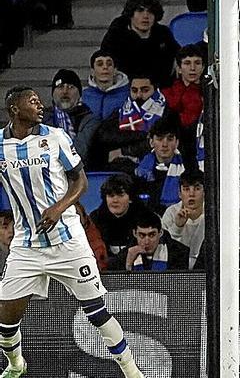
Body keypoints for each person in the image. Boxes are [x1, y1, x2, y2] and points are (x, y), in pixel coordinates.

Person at [0, 86, 144, 377]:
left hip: (67, 241)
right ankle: (16, 364)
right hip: (27, 245)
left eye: (40, 100)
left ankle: (131, 371)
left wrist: (58, 207)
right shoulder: (0, 145)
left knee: (97, 312)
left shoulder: (55, 137)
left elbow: (80, 181)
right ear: (15, 109)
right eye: (32, 101)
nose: (40, 105)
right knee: (5, 319)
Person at [101, 0, 180, 88]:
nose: (145, 16)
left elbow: (179, 54)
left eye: (150, 11)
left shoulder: (163, 34)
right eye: (140, 11)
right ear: (131, 14)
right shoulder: (115, 36)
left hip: (160, 90)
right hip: (124, 91)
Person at [42, 69, 100, 170]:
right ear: (53, 93)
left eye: (71, 87)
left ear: (79, 94)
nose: (65, 91)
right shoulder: (41, 119)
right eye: (60, 87)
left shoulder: (91, 120)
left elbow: (79, 152)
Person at [109, 212, 189, 271]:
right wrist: (128, 265)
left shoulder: (179, 253)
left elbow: (179, 287)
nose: (147, 241)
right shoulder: (124, 256)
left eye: (152, 235)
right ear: (134, 233)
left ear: (160, 233)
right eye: (142, 235)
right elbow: (119, 290)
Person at [160, 169, 205, 269]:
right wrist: (177, 227)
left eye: (197, 189)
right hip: (176, 266)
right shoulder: (171, 212)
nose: (191, 194)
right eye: (186, 189)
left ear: (205, 192)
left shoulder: (213, 213)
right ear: (180, 194)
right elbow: (163, 246)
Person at [82, 49, 130, 121]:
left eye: (109, 64)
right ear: (92, 71)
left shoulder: (128, 95)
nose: (105, 67)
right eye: (100, 64)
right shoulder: (83, 96)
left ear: (115, 70)